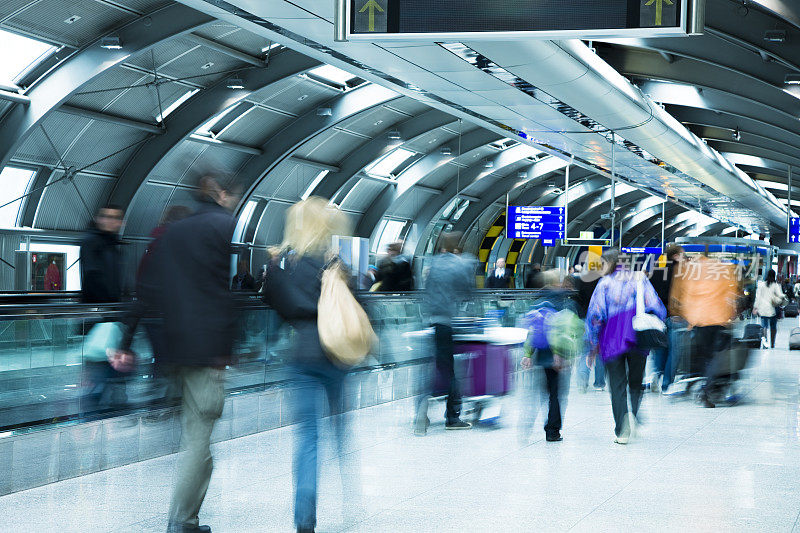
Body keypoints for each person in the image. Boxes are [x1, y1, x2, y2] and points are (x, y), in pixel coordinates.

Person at [130, 176, 237, 533]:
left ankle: (185, 516)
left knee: (194, 439)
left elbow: (144, 291)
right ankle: (182, 521)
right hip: (204, 352)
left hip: (171, 349)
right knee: (197, 439)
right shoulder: (219, 228)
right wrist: (226, 348)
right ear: (222, 194)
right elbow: (220, 295)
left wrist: (127, 341)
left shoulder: (168, 235)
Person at [261, 197, 360, 533]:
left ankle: (305, 518)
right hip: (337, 357)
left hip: (302, 356)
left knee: (307, 438)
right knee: (340, 430)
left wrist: (273, 269)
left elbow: (274, 300)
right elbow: (360, 307)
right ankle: (351, 498)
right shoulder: (338, 264)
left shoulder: (286, 265)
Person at [586, 249, 666, 444]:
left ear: (611, 263)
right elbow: (657, 307)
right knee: (636, 382)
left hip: (611, 340)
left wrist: (593, 344)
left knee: (617, 384)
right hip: (638, 337)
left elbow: (596, 314)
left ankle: (622, 429)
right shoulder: (640, 280)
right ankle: (634, 414)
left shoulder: (604, 283)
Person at [416, 231, 475, 434]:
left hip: (430, 321)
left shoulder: (433, 263)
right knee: (450, 371)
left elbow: (427, 290)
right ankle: (452, 417)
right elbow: (468, 292)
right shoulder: (459, 264)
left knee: (432, 367)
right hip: (447, 324)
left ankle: (421, 407)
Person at [670, 254, 738, 407]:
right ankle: (707, 390)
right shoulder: (723, 269)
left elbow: (687, 297)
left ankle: (705, 386)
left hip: (700, 321)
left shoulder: (694, 272)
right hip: (718, 319)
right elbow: (731, 294)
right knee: (716, 357)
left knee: (704, 357)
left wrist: (690, 321)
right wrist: (729, 314)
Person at [519, 270, 576, 442]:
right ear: (558, 283)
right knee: (556, 394)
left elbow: (532, 331)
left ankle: (527, 425)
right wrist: (560, 355)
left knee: (541, 392)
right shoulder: (563, 303)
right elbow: (564, 331)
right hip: (557, 357)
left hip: (541, 355)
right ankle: (552, 431)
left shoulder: (536, 303)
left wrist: (527, 354)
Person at [649, 245, 686, 393]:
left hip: (657, 316)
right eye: (683, 254)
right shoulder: (682, 273)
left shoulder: (656, 271)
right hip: (675, 316)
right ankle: (667, 384)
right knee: (674, 351)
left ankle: (656, 375)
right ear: (676, 256)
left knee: (660, 349)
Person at [80, 205, 125, 303]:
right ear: (98, 219)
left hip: (110, 305)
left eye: (116, 218)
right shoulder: (91, 241)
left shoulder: (112, 243)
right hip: (98, 307)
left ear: (121, 222)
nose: (111, 221)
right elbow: (93, 275)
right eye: (107, 217)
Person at [574, 260, 604, 392]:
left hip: (584, 320)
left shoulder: (580, 281)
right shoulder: (602, 282)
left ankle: (583, 379)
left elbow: (576, 300)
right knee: (600, 352)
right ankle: (599, 383)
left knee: (586, 350)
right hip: (599, 321)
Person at [753, 269, 785, 350]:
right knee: (773, 326)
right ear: (774, 276)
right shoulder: (776, 285)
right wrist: (783, 297)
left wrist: (755, 307)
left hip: (763, 309)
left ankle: (765, 343)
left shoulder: (762, 285)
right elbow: (780, 295)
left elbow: (758, 297)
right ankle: (772, 343)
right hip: (773, 309)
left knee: (764, 326)